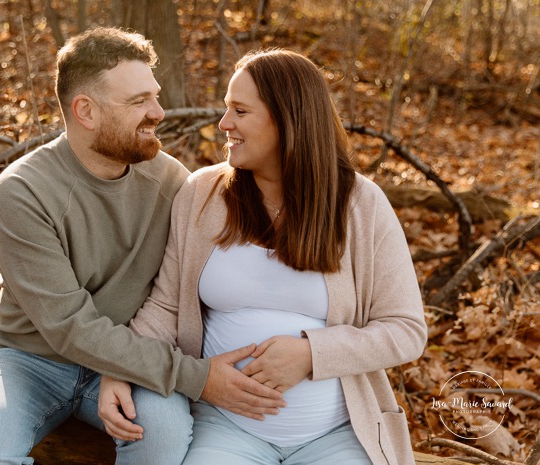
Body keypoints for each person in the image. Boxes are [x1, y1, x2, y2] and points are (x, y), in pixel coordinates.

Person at [0, 28, 284, 465]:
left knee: (162, 438)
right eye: (138, 101)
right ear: (85, 110)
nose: (158, 112)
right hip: (29, 361)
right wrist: (198, 378)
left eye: (155, 96)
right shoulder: (23, 192)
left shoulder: (171, 182)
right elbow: (69, 327)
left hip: (136, 357)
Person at [99, 48, 428, 465]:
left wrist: (311, 354)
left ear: (288, 119)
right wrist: (120, 368)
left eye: (240, 111)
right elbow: (165, 307)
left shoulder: (359, 204)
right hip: (224, 427)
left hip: (338, 434)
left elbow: (406, 330)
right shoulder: (203, 194)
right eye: (225, 109)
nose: (224, 124)